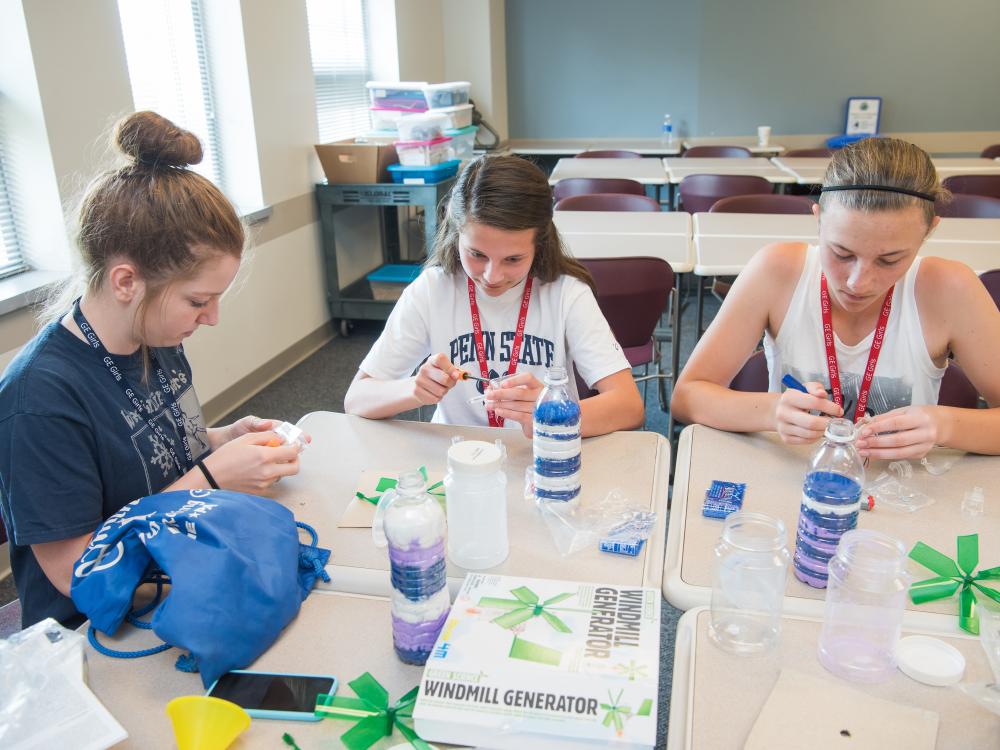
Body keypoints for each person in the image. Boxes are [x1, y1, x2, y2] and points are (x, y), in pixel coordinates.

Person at [0, 112, 306, 629]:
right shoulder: (40, 401)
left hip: (179, 574)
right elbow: (78, 572)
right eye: (197, 301)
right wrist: (211, 477)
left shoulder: (152, 334)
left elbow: (137, 452)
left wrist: (220, 439)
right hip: (99, 627)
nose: (211, 317)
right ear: (126, 281)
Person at [670, 137, 1000, 459]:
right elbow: (687, 396)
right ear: (818, 219)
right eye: (841, 253)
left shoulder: (950, 289)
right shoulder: (777, 271)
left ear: (928, 231)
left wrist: (944, 425)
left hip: (904, 491)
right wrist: (772, 412)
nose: (859, 282)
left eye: (890, 260)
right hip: (796, 479)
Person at [344, 154, 644, 437]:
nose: (491, 276)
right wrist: (413, 389)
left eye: (513, 259)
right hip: (456, 460)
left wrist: (550, 412)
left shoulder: (566, 293)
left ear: (539, 244)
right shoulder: (432, 290)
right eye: (476, 254)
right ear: (456, 231)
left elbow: (628, 406)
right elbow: (356, 399)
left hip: (540, 455)